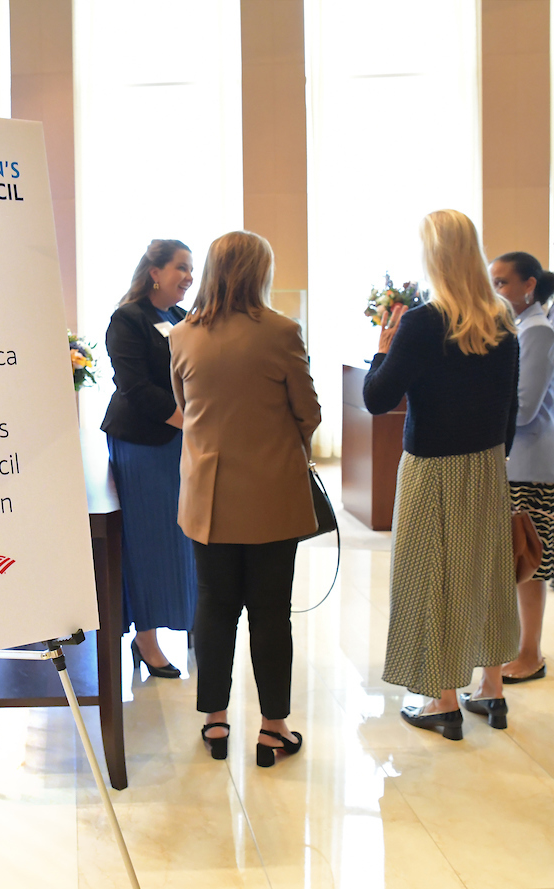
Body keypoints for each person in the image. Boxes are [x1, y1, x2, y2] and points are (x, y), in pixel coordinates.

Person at [364, 209, 519, 740]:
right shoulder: (501, 318)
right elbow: (509, 404)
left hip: (432, 465)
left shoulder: (424, 322)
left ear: (433, 256)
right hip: (488, 462)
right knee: (487, 571)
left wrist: (381, 349)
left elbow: (378, 399)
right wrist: (495, 459)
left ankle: (442, 699)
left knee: (429, 573)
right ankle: (492, 688)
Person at [169, 231, 321, 766]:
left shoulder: (182, 335)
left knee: (213, 605)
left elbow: (185, 407)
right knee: (271, 612)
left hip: (207, 497)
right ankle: (273, 729)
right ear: (261, 273)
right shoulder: (281, 331)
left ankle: (215, 720)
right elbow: (308, 412)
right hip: (272, 493)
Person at [101, 239, 198, 679]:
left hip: (182, 441)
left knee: (184, 538)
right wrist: (190, 422)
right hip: (143, 445)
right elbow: (136, 388)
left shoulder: (180, 317)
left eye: (191, 269)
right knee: (149, 541)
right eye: (181, 267)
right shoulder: (128, 318)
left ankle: (190, 619)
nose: (189, 277)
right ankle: (146, 639)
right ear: (155, 272)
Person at [490, 251, 554, 688]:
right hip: (516, 460)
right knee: (516, 558)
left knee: (530, 560)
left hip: (530, 462)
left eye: (502, 283)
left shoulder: (537, 330)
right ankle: (519, 647)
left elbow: (525, 407)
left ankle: (530, 653)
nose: (495, 291)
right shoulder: (520, 326)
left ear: (529, 286)